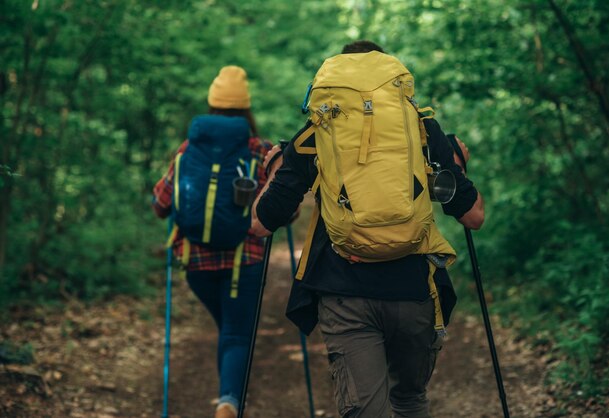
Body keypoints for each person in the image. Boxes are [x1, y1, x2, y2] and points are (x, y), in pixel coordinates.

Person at [251, 41, 484, 418]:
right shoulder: (423, 128)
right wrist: (455, 163)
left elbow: (262, 223)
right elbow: (473, 216)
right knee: (409, 400)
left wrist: (276, 167)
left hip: (345, 296)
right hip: (414, 291)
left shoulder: (318, 131)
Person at [152, 66, 272, 418]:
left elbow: (160, 204)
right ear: (246, 108)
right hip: (243, 261)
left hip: (196, 262)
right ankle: (228, 403)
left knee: (229, 330)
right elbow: (278, 212)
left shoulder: (188, 148)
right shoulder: (258, 150)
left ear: (212, 104)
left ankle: (227, 398)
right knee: (236, 333)